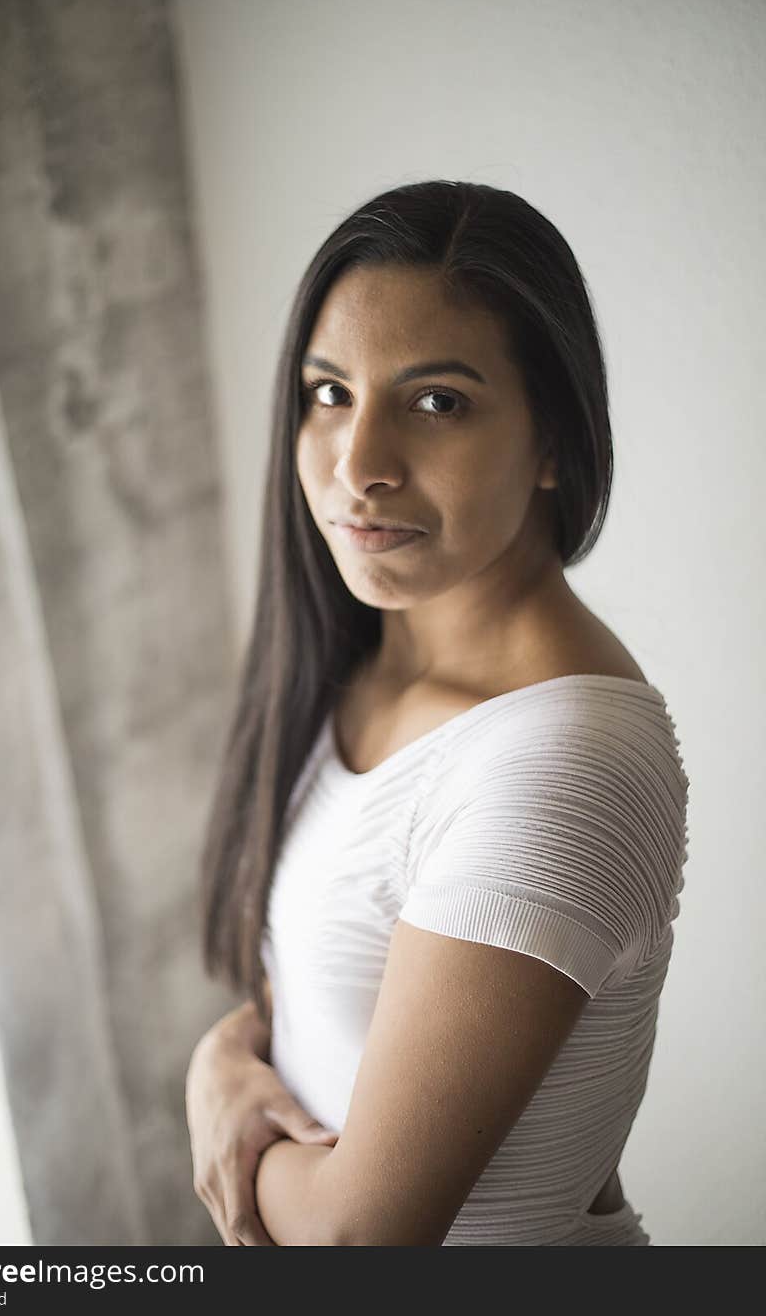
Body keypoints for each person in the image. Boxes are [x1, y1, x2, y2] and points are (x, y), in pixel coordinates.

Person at [184, 180, 689, 1246]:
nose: (358, 465)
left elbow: (360, 1240)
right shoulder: (365, 661)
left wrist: (222, 1117)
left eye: (437, 400)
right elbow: (327, 995)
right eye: (328, 392)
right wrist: (225, 1053)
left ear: (553, 439)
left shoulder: (561, 763)